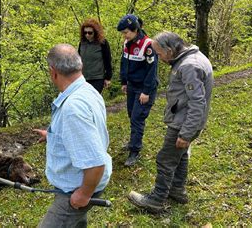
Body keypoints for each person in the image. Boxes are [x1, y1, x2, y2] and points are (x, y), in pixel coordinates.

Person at [127, 31, 213, 213]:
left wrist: (186, 133)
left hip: (184, 123)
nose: (160, 58)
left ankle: (156, 199)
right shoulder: (191, 59)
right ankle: (177, 191)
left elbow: (198, 102)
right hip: (184, 119)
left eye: (159, 54)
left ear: (169, 49)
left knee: (165, 159)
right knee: (180, 156)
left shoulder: (189, 66)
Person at [34, 44, 112, 227]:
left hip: (77, 188)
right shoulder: (88, 90)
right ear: (80, 66)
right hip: (80, 184)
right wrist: (53, 135)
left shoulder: (72, 108)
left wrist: (84, 194)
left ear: (53, 72)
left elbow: (95, 163)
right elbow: (87, 132)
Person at [117, 14, 158, 166]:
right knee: (131, 114)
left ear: (135, 29)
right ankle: (133, 141)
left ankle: (135, 150)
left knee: (137, 117)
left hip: (144, 88)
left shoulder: (148, 45)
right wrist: (124, 81)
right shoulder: (127, 43)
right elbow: (124, 63)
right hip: (132, 85)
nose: (124, 36)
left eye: (126, 32)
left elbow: (152, 72)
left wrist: (146, 92)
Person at [78, 18, 113, 93]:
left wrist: (108, 78)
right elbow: (78, 60)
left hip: (97, 78)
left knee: (93, 99)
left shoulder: (102, 43)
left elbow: (107, 60)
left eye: (90, 32)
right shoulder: (82, 43)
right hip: (83, 78)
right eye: (85, 32)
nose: (87, 35)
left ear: (95, 32)